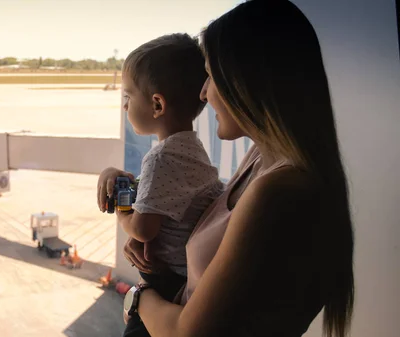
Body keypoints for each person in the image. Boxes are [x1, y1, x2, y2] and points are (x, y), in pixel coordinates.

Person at [115, 1, 356, 336]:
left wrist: (139, 295)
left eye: (211, 77)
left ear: (247, 81)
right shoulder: (261, 157)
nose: (202, 93)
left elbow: (187, 333)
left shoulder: (278, 191)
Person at [97, 33, 223, 336]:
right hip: (185, 278)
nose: (125, 108)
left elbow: (142, 229)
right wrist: (123, 178)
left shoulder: (162, 157)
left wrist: (119, 205)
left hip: (169, 285)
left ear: (157, 105)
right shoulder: (191, 149)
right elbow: (163, 194)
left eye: (128, 97)